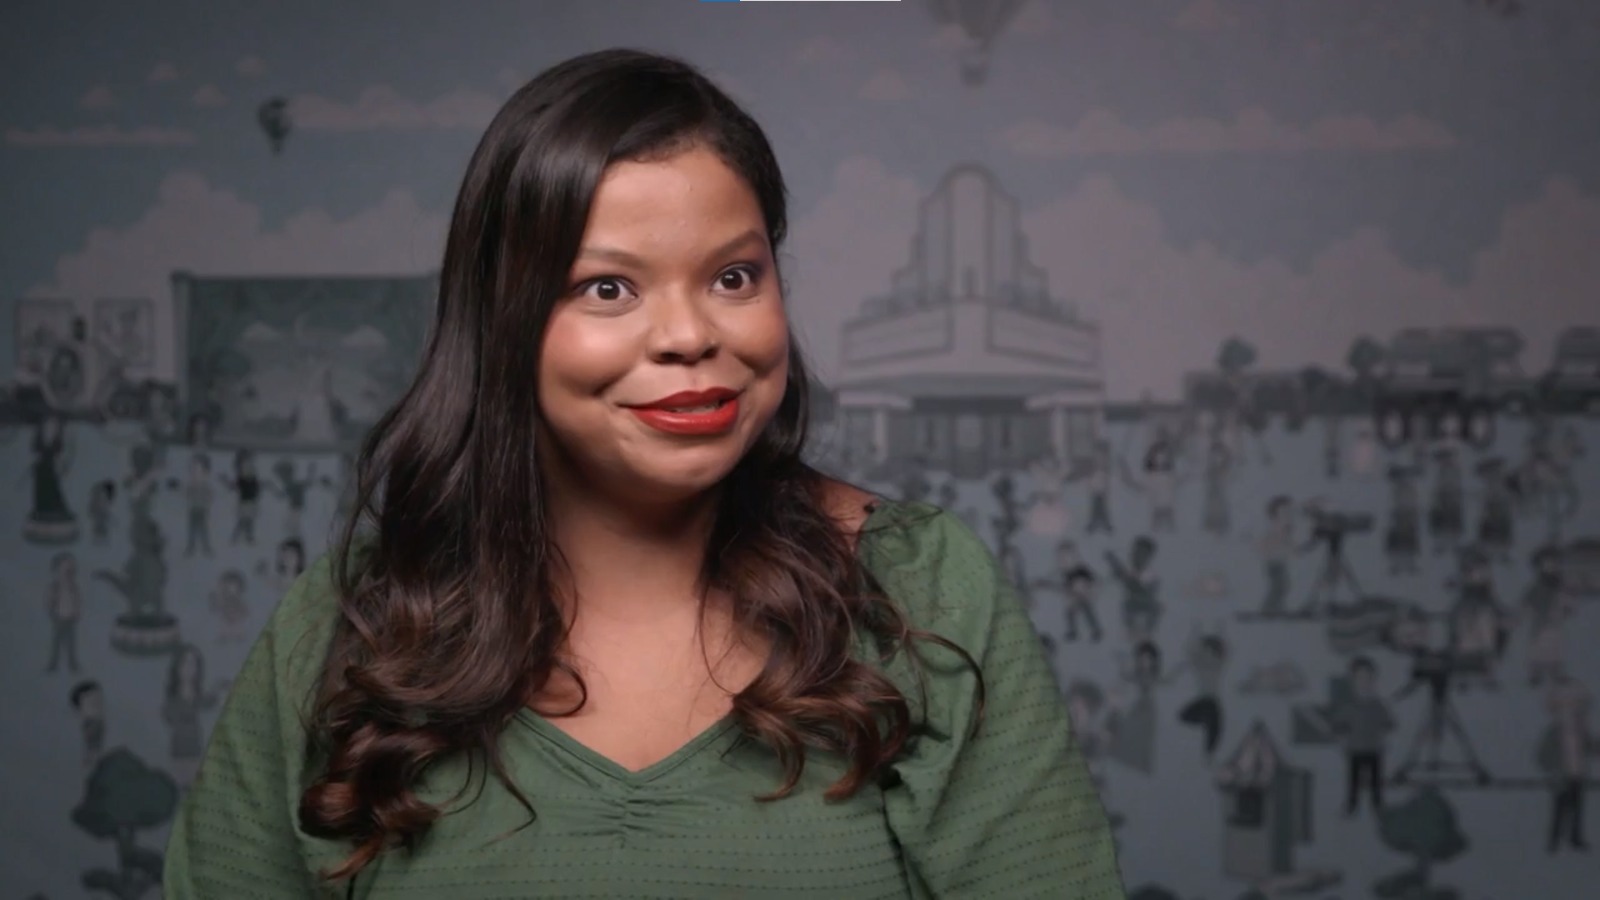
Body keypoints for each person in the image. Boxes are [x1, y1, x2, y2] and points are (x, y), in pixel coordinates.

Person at [163, 48, 1123, 899]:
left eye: (734, 276)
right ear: (503, 319)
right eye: (609, 287)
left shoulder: (922, 590)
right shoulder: (355, 627)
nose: (689, 335)